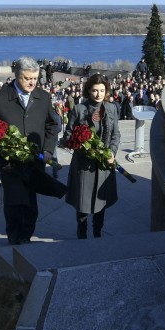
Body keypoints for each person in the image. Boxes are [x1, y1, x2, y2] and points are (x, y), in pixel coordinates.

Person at [0, 56, 61, 245]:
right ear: (16, 75)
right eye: (27, 78)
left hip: (35, 160)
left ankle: (26, 236)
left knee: (31, 202)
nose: (32, 82)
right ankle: (15, 237)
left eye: (35, 78)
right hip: (9, 164)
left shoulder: (43, 97)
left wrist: (48, 149)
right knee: (15, 200)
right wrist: (4, 148)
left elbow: (52, 125)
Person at [63, 74, 120, 239]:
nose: (98, 94)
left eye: (102, 90)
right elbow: (67, 136)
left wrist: (112, 152)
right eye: (95, 90)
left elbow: (116, 135)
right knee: (82, 202)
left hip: (103, 165)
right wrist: (81, 145)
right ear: (88, 90)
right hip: (84, 165)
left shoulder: (111, 108)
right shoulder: (79, 109)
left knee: (101, 202)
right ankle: (81, 233)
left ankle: (97, 233)